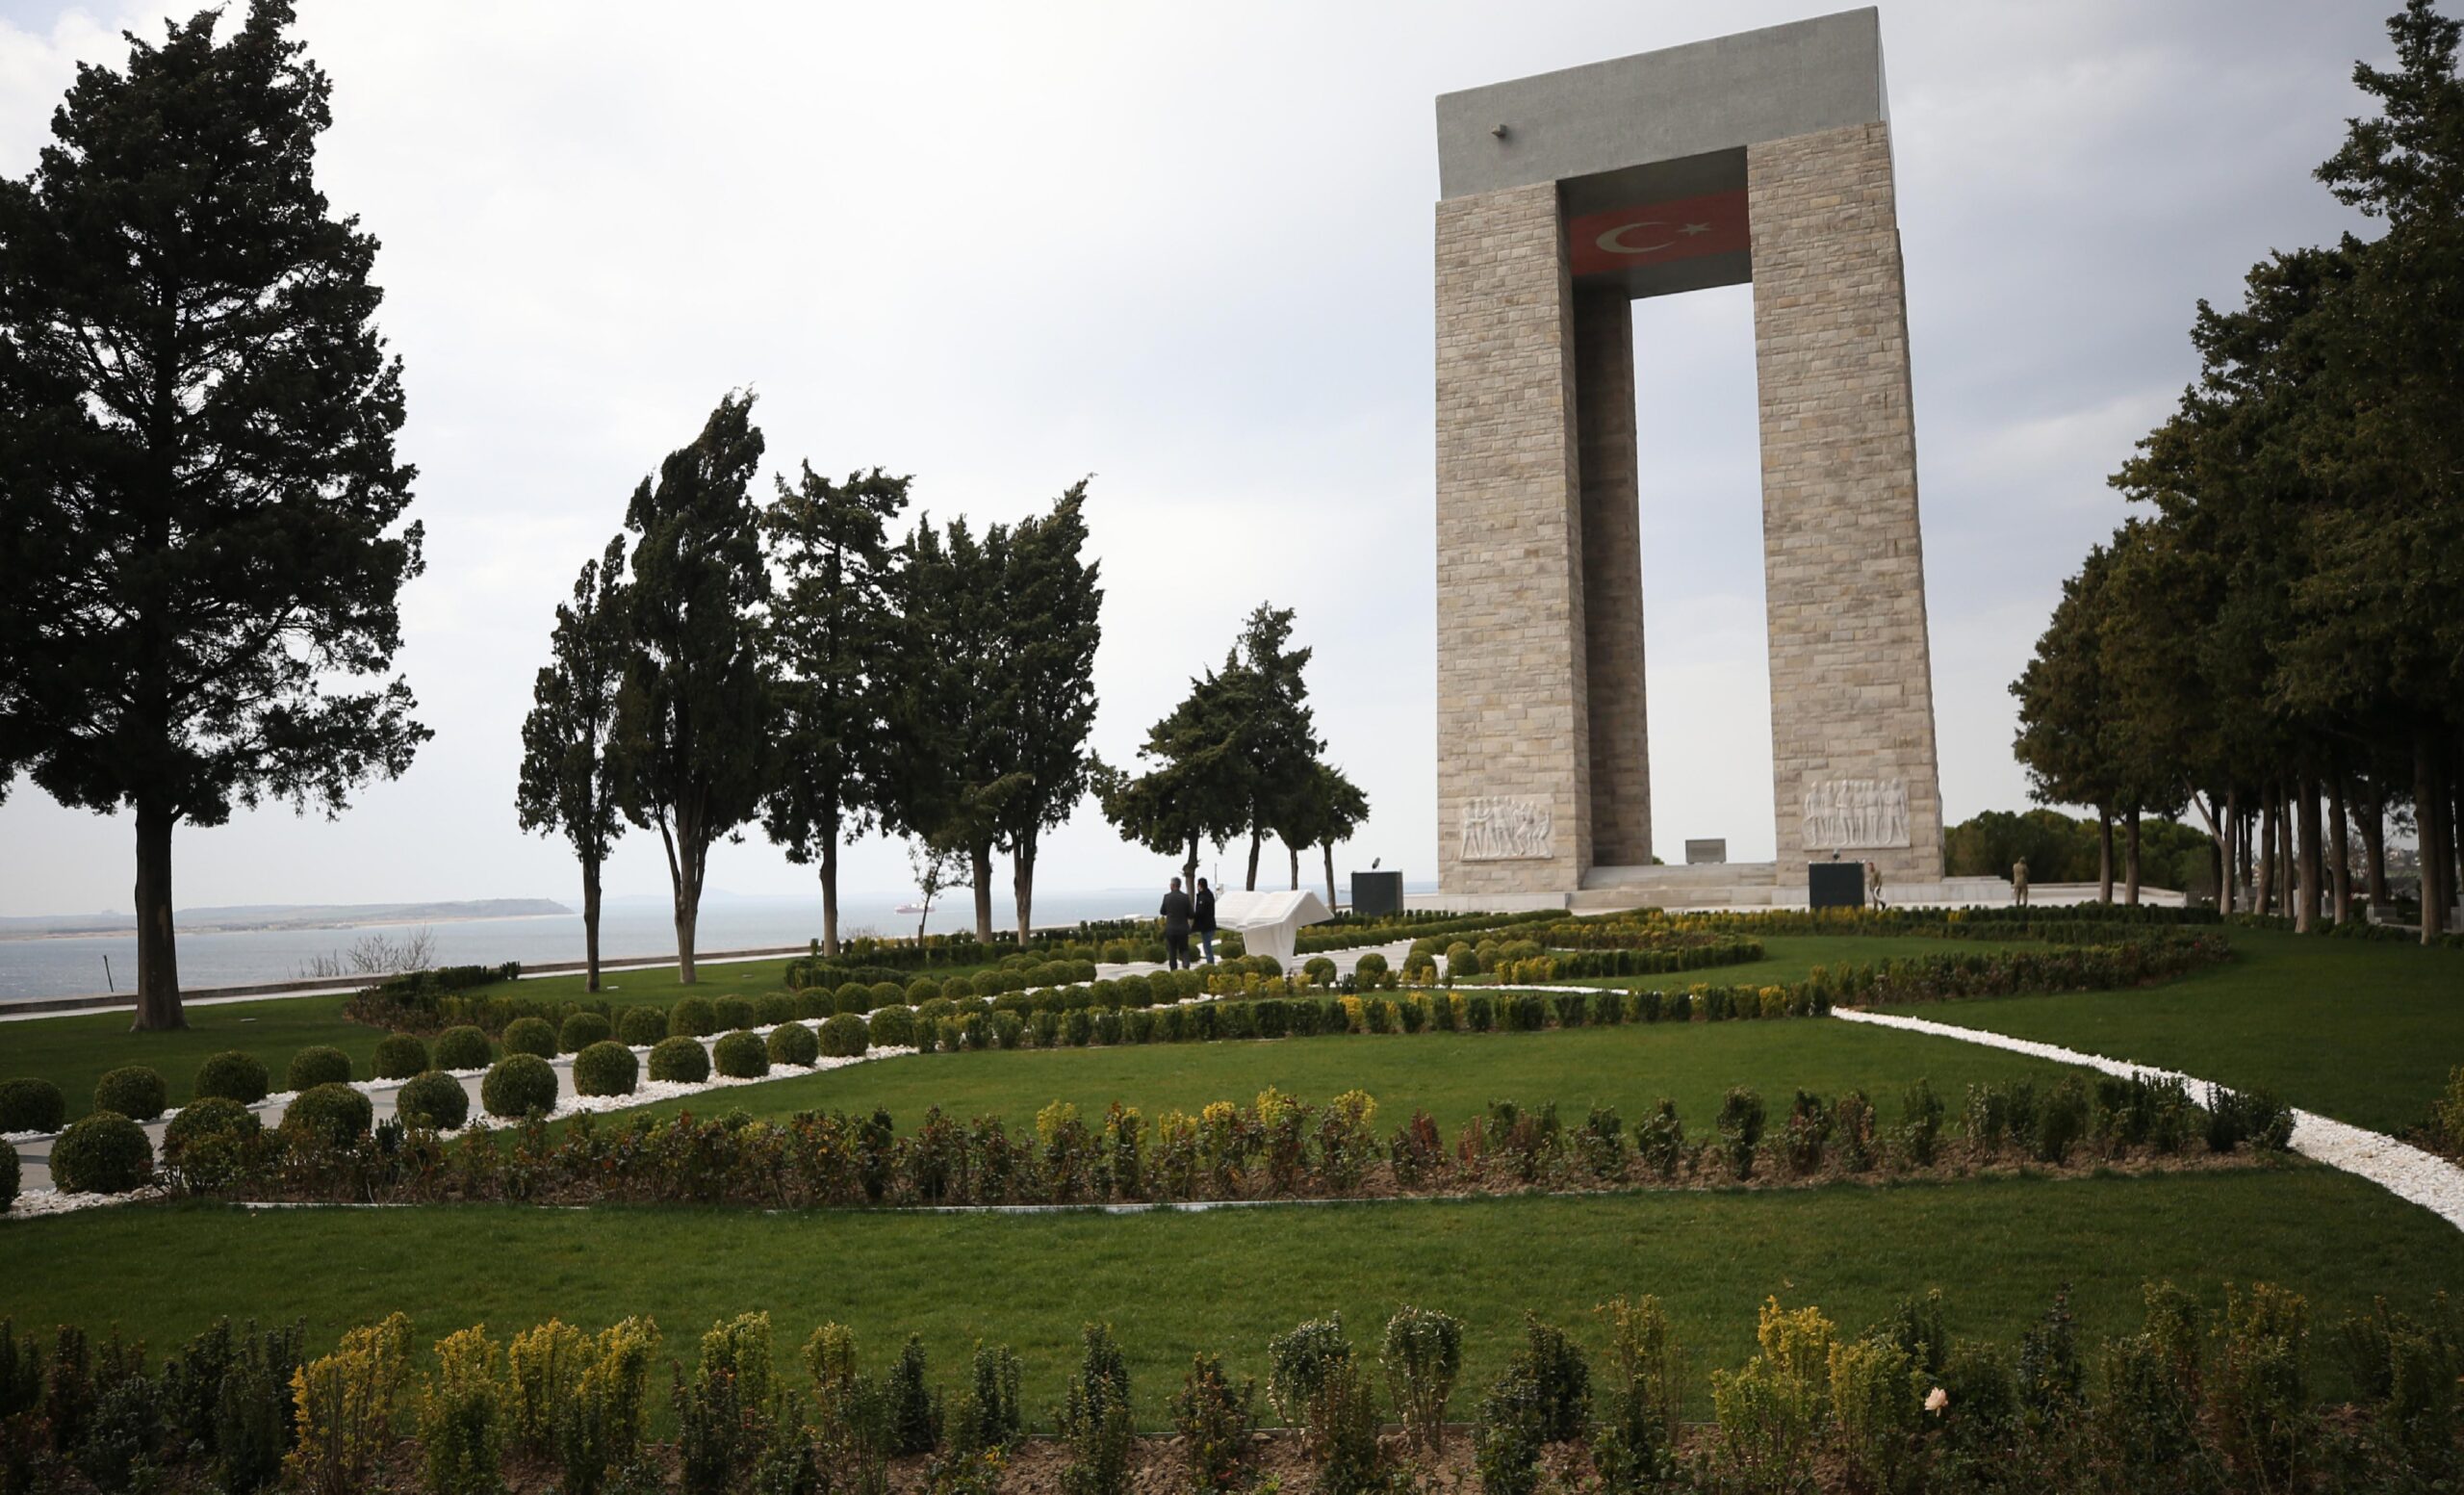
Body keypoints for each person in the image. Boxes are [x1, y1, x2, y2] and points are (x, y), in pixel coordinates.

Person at [1159, 876, 1194, 970]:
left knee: (1172, 951)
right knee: (1184, 950)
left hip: (1171, 929)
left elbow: (1162, 911)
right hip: (1183, 929)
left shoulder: (1167, 897)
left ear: (1173, 885)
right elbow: (1191, 914)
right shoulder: (1185, 897)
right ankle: (1186, 967)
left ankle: (1173, 971)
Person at [1193, 877, 1218, 965]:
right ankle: (1210, 963)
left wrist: (1192, 915)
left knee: (1207, 947)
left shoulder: (1203, 897)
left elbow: (1200, 912)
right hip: (1210, 924)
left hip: (1206, 926)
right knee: (1207, 946)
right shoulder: (1209, 895)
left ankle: (1210, 965)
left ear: (1200, 885)